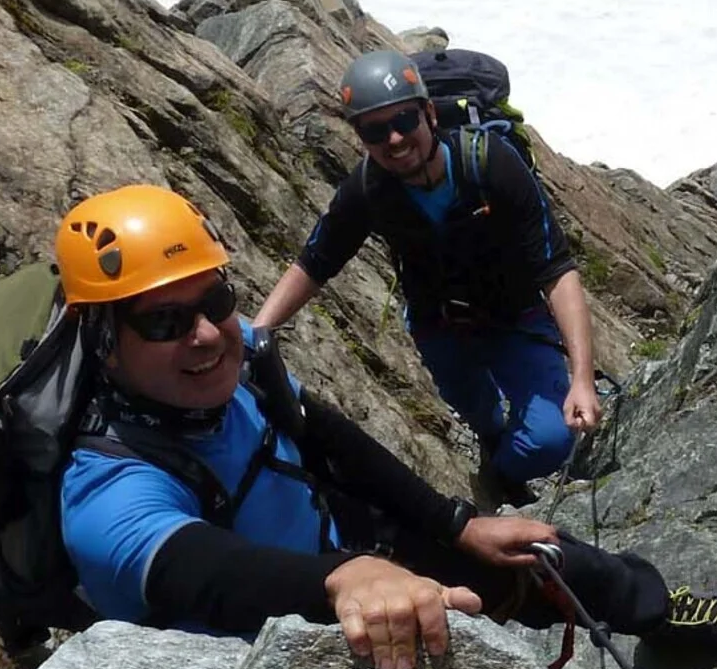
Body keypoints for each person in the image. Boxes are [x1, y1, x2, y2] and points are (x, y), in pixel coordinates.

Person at [56, 184, 717, 669]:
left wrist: (458, 524)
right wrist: (350, 578)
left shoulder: (236, 353)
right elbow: (204, 570)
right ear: (103, 336)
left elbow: (324, 433)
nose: (209, 334)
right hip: (259, 653)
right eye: (164, 321)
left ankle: (657, 609)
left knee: (532, 550)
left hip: (340, 556)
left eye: (214, 299)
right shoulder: (105, 488)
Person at [254, 48, 599, 505]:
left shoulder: (489, 164)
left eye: (404, 121)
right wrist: (256, 332)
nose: (394, 139)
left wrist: (582, 379)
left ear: (428, 114)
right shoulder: (368, 189)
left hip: (517, 319)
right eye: (375, 130)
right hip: (441, 329)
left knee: (550, 441)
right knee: (481, 415)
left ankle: (498, 474)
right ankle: (493, 442)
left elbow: (557, 270)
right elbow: (316, 262)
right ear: (360, 136)